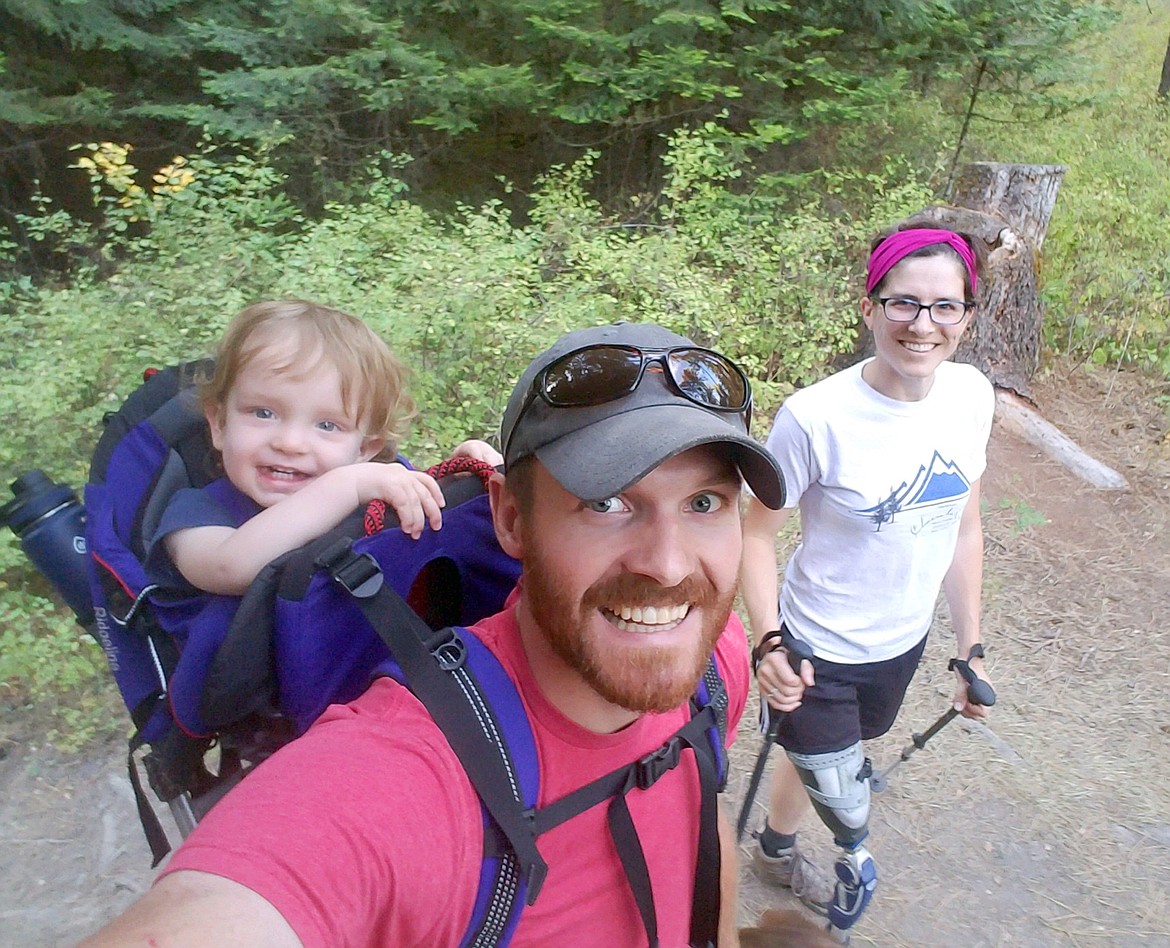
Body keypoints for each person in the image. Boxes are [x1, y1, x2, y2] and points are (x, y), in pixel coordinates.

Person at [80, 321, 788, 947]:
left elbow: (697, 808)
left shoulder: (708, 666)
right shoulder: (402, 777)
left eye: (703, 502)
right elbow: (257, 888)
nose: (666, 567)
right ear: (510, 518)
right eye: (605, 503)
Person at [740, 225, 996, 937]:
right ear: (870, 308)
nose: (923, 325)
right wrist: (767, 642)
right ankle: (852, 855)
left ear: (967, 317)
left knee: (836, 750)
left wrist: (968, 647)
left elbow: (964, 527)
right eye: (903, 303)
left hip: (900, 642)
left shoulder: (971, 396)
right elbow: (754, 534)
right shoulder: (815, 417)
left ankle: (776, 846)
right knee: (841, 784)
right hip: (816, 646)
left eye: (944, 307)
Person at [147, 299, 501, 597]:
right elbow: (230, 567)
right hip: (252, 679)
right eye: (263, 413)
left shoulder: (368, 483)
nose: (289, 443)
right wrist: (346, 486)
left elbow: (420, 518)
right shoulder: (194, 513)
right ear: (220, 424)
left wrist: (459, 480)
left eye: (327, 425)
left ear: (365, 449)